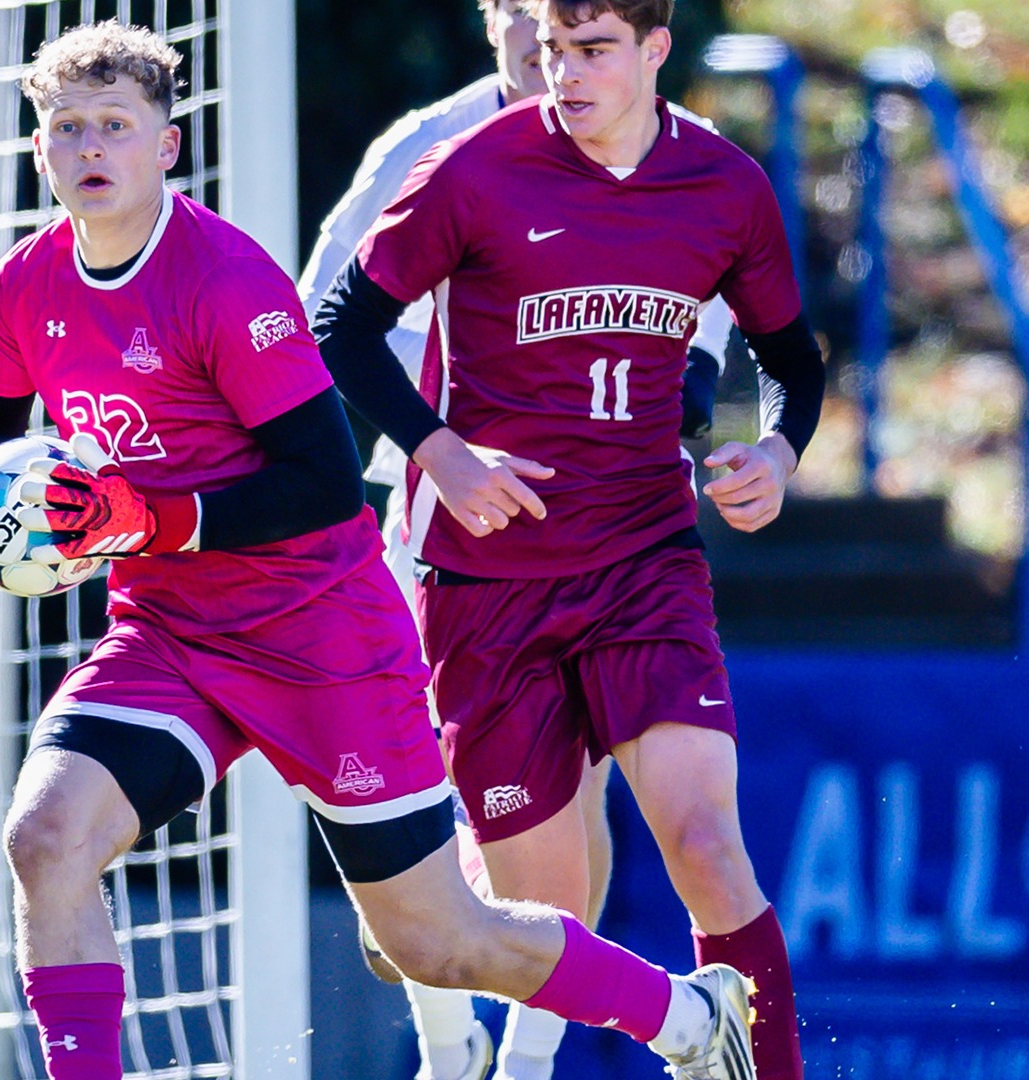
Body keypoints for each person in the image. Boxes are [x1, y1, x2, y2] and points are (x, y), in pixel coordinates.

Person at [0, 20, 760, 1080]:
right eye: (66, 129)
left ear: (165, 146)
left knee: (439, 936)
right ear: (41, 150)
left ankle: (685, 1017)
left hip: (322, 637)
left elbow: (322, 484)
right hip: (168, 634)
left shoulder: (226, 283)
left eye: (114, 125)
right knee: (45, 837)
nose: (89, 147)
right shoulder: (24, 287)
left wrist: (144, 518)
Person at [312, 2, 824, 1080]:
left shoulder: (721, 184)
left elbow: (786, 353)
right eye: (549, 49)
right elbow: (336, 322)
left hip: (643, 565)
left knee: (706, 846)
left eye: (590, 51)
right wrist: (438, 448)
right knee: (526, 913)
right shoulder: (462, 163)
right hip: (481, 578)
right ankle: (455, 1005)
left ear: (654, 51)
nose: (562, 74)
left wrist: (773, 456)